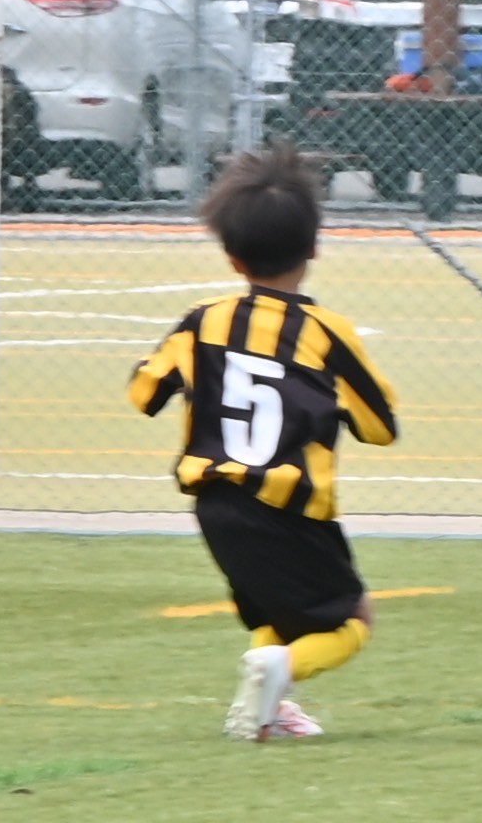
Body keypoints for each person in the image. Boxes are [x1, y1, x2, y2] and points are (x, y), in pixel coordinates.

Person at [128, 144, 398, 740]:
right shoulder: (326, 333)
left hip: (216, 505)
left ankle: (266, 710)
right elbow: (381, 427)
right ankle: (281, 674)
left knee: (275, 613)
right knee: (352, 620)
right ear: (314, 247)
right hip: (291, 507)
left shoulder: (201, 321)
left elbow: (143, 392)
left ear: (231, 257)